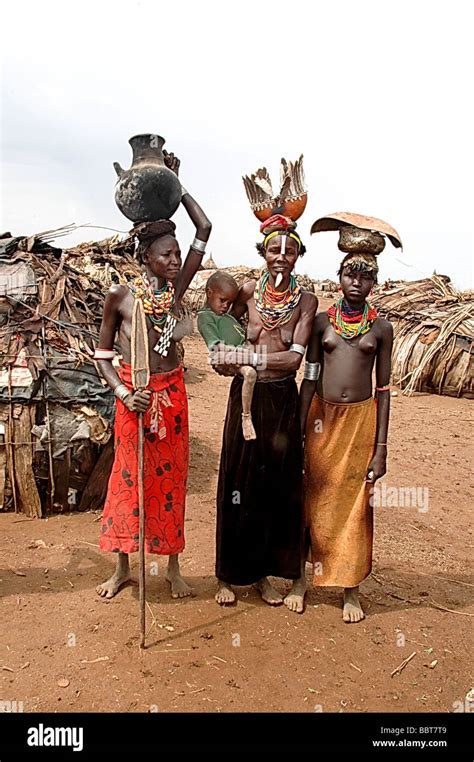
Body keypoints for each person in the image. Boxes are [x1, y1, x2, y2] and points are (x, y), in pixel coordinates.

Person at [94, 152, 212, 599]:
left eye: (178, 255)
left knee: (170, 480)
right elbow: (102, 355)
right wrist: (124, 393)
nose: (175, 260)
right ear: (146, 256)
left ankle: (172, 568)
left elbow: (204, 229)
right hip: (134, 396)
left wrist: (174, 187)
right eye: (167, 254)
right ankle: (122, 566)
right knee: (128, 478)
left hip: (172, 394)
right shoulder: (121, 297)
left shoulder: (176, 293)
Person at [288, 220, 395, 621]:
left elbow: (383, 390)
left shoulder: (381, 329)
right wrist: (299, 428)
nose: (357, 282)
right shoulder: (322, 324)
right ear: (339, 277)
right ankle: (300, 578)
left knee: (355, 503)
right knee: (310, 496)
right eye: (351, 273)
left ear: (374, 285)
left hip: (359, 423)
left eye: (366, 277)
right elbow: (309, 378)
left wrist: (380, 448)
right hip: (322, 418)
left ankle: (349, 589)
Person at [213, 214, 317, 607]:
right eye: (275, 249)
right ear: (263, 251)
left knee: (276, 485)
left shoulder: (305, 302)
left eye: (290, 250)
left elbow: (293, 360)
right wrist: (224, 356)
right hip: (246, 397)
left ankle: (262, 576)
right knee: (237, 482)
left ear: (298, 256)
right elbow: (220, 332)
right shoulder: (248, 293)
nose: (281, 256)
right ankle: (227, 573)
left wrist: (246, 355)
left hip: (281, 401)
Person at [197, 271, 258, 440]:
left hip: (240, 351)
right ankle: (246, 418)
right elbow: (215, 346)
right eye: (222, 300)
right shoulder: (205, 317)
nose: (225, 306)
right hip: (227, 356)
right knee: (250, 374)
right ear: (209, 293)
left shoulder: (224, 316)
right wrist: (242, 354)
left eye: (229, 302)